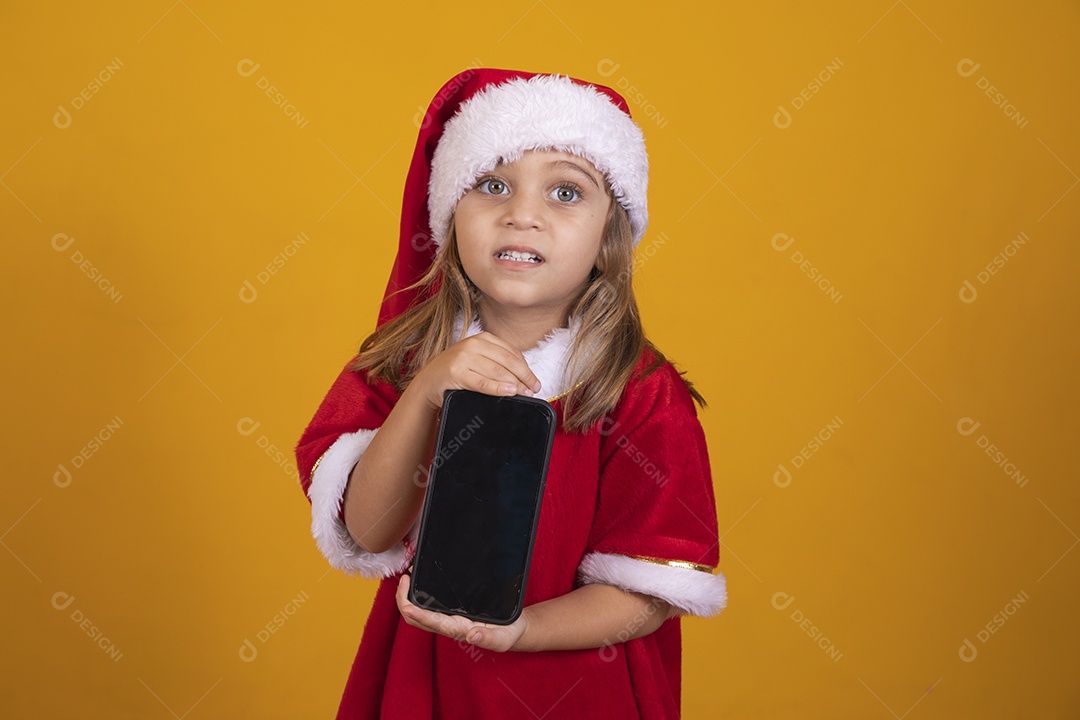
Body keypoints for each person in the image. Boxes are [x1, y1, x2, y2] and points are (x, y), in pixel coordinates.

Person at [295, 68, 727, 720]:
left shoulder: (640, 393)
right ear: (449, 217)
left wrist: (522, 631)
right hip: (428, 686)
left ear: (609, 238)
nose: (522, 214)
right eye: (492, 184)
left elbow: (648, 595)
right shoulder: (401, 365)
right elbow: (367, 530)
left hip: (583, 695)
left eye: (565, 191)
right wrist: (427, 393)